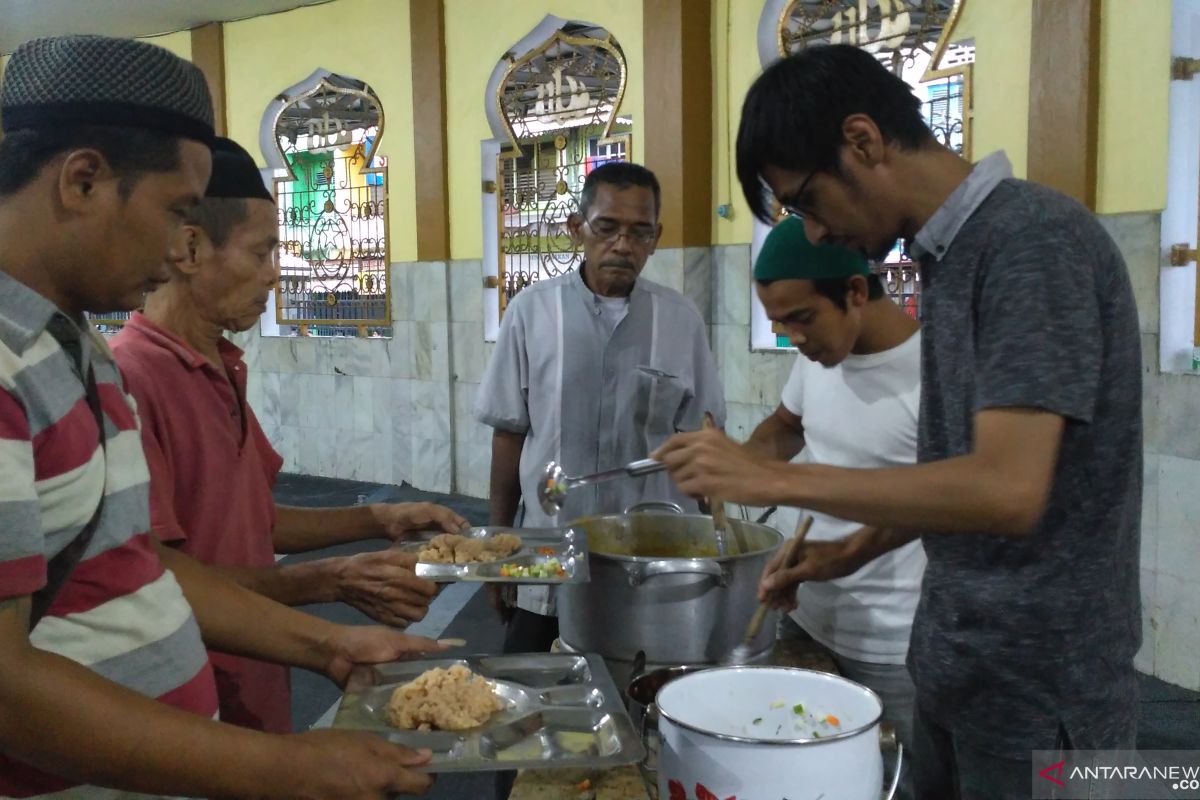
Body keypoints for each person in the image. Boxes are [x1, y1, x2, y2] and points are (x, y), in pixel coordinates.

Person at [656, 45, 1141, 800]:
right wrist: (851, 550)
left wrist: (769, 475)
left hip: (1043, 695)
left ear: (863, 141)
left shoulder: (1032, 243)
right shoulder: (951, 258)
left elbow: (1008, 490)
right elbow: (951, 470)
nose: (813, 232)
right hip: (958, 665)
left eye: (809, 201)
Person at [0, 34, 440, 799]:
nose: (180, 248)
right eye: (175, 211)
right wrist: (283, 766)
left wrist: (330, 648)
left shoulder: (75, 348)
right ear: (82, 181)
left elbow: (141, 562)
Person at [110, 136, 467, 734]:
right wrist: (329, 581)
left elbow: (255, 520)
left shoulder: (219, 362)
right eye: (262, 252)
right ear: (191, 248)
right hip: (189, 703)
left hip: (259, 669)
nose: (276, 275)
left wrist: (381, 521)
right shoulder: (133, 377)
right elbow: (156, 576)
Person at [476, 162, 724, 797]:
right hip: (548, 557)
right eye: (607, 227)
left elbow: (702, 442)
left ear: (656, 237)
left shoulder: (680, 322)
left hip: (648, 561)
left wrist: (720, 546)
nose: (623, 245)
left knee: (646, 714)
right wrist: (498, 547)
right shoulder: (531, 313)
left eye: (639, 233)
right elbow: (510, 435)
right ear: (575, 228)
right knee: (523, 713)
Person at [747, 215, 922, 800]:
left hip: (893, 641)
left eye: (800, 319)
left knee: (898, 783)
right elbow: (785, 426)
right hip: (807, 616)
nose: (793, 337)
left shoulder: (935, 374)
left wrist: (846, 552)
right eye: (779, 324)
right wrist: (739, 467)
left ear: (854, 291)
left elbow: (935, 504)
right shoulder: (820, 353)